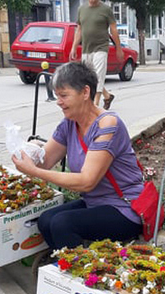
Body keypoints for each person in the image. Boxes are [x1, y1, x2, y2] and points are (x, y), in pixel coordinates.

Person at [11, 61, 143, 250]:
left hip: (124, 207)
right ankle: (63, 267)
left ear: (85, 92)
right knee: (46, 220)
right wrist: (27, 152)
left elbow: (87, 181)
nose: (59, 102)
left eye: (64, 95)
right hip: (94, 203)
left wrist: (34, 171)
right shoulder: (69, 123)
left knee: (62, 223)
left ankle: (81, 273)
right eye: (57, 96)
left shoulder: (108, 125)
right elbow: (45, 161)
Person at [71, 0, 122, 110]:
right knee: (89, 78)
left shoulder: (105, 9)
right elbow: (79, 29)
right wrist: (73, 47)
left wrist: (119, 48)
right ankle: (107, 96)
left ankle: (95, 105)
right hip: (86, 49)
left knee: (98, 76)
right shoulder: (81, 9)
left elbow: (113, 29)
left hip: (101, 47)